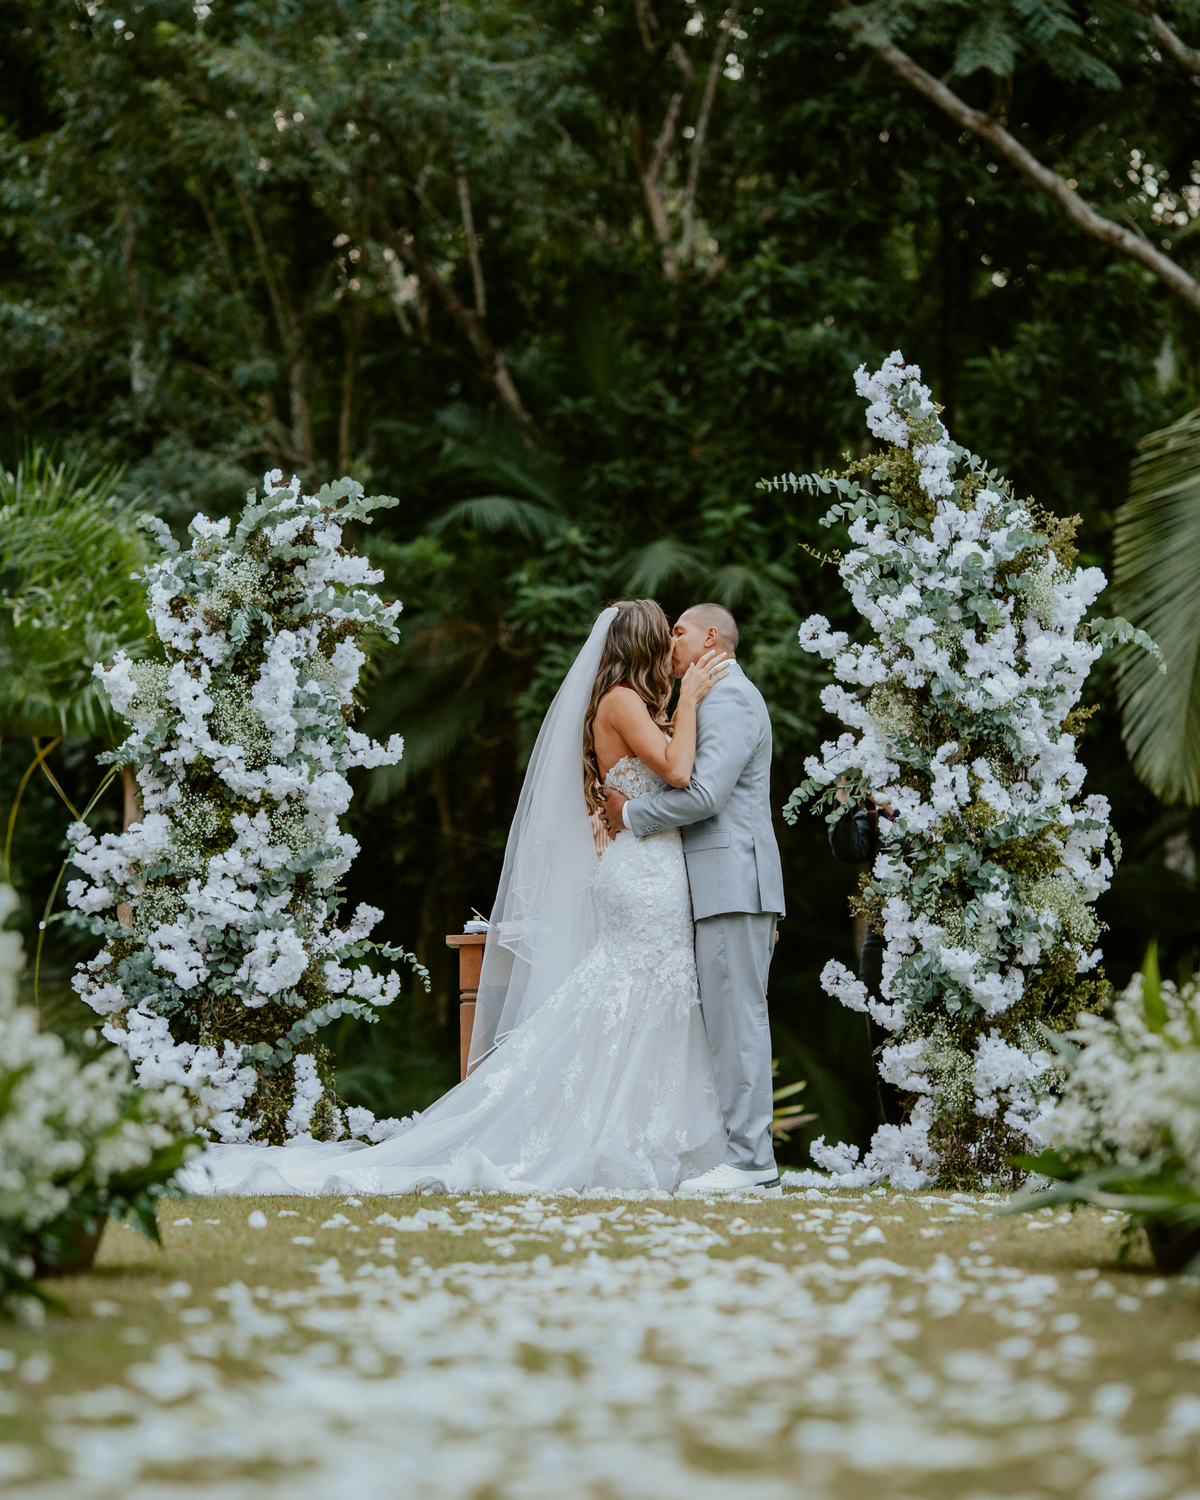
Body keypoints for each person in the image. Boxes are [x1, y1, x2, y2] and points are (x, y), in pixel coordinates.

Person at [180, 600, 732, 1197]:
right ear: (643, 644)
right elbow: (678, 772)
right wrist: (691, 699)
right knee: (634, 992)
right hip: (643, 877)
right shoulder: (621, 700)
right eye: (665, 635)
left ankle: (644, 1131)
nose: (673, 646)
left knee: (646, 995)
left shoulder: (632, 703)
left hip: (652, 867)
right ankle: (612, 1133)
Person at [598, 603, 786, 1199]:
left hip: (732, 883)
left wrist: (631, 814)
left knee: (739, 1022)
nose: (668, 643)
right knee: (728, 1023)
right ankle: (741, 1155)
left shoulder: (729, 699)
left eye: (677, 632)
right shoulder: (712, 698)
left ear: (710, 638)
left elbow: (704, 795)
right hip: (717, 885)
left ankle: (752, 1163)